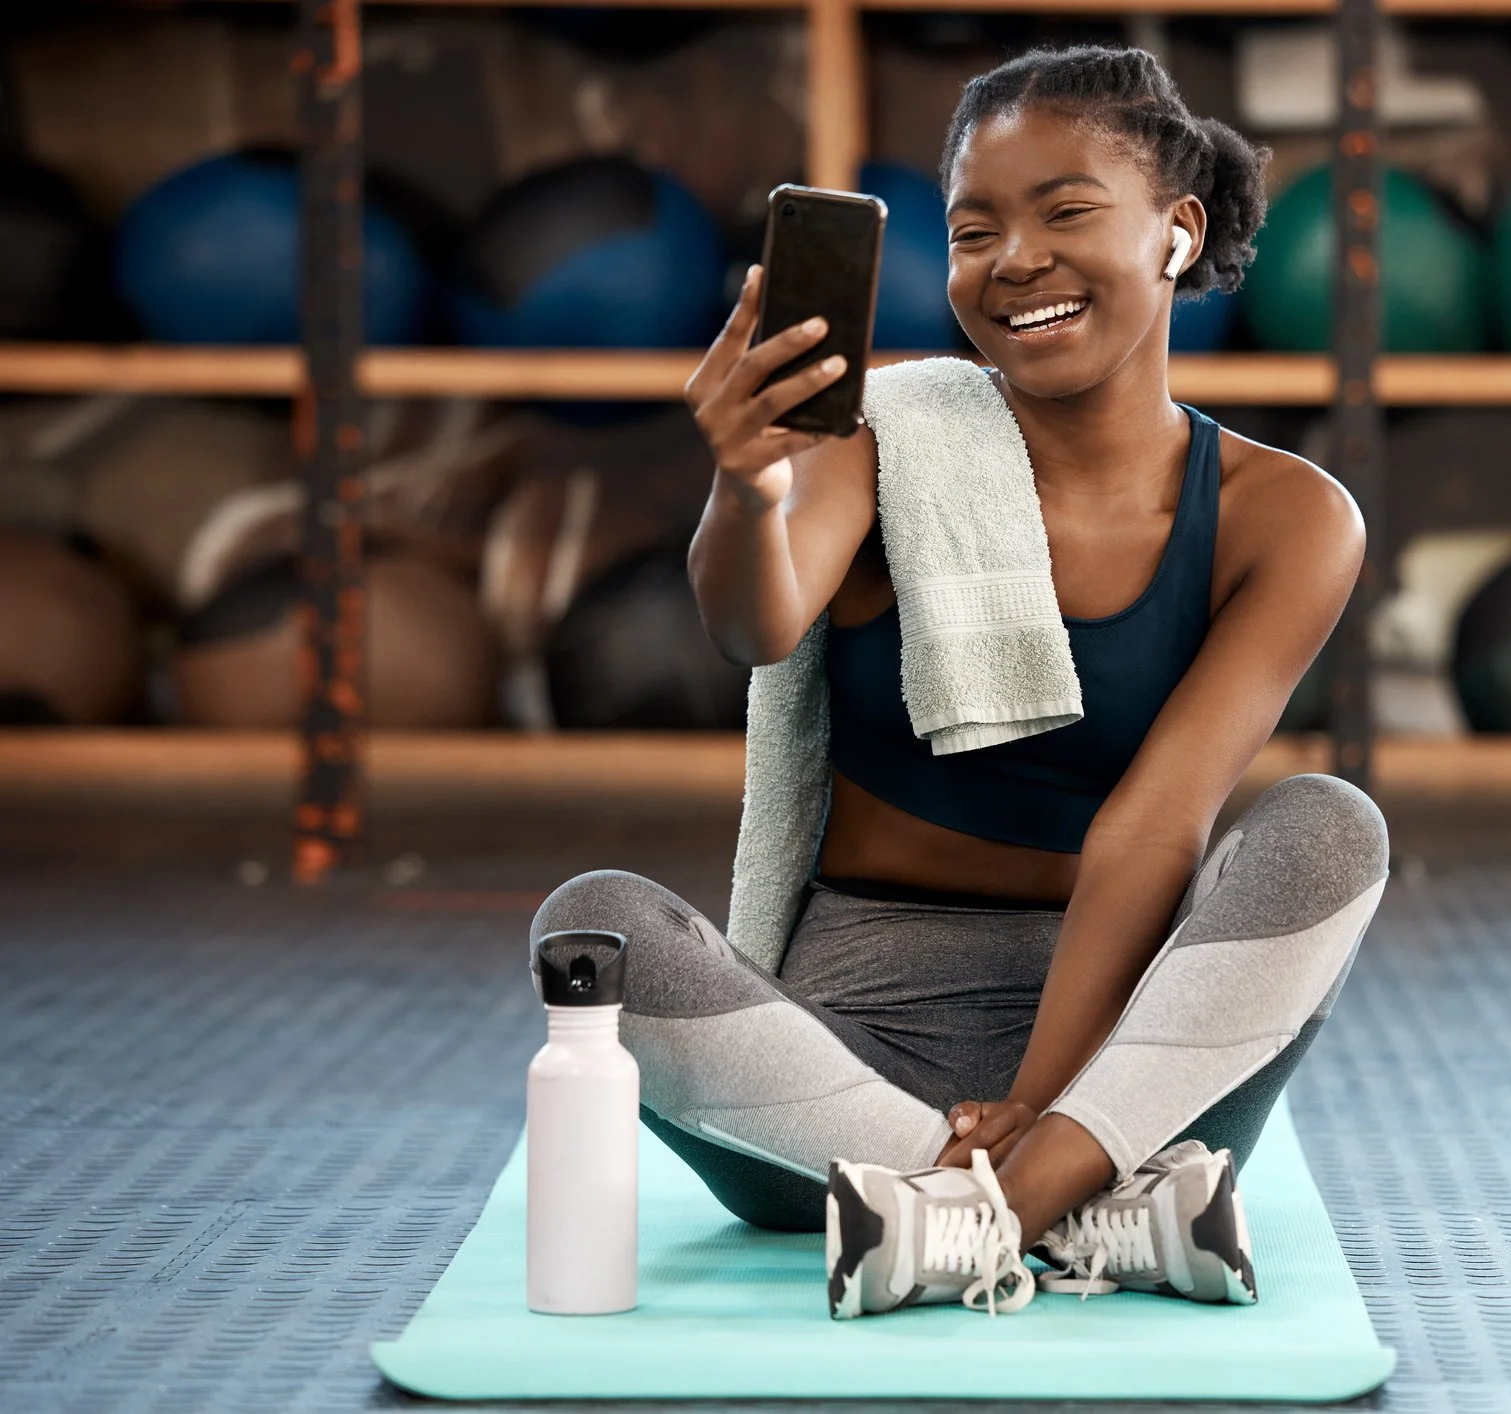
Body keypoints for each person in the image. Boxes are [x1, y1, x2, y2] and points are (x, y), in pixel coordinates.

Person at [530, 45, 1389, 1319]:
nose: (1015, 259)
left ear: (1175, 231)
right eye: (974, 228)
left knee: (1330, 828)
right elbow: (754, 625)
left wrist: (1052, 1109)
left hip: (1124, 1063)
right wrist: (743, 479)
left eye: (1066, 211)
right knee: (588, 922)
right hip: (831, 1075)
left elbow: (1154, 828)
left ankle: (972, 1209)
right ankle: (1087, 1213)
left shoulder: (1288, 518)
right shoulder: (882, 434)